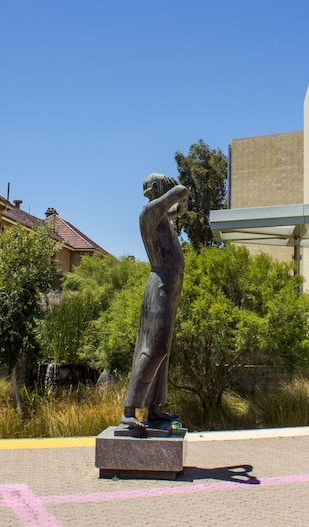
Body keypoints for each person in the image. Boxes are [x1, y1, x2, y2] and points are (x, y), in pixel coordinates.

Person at [121, 174, 189, 430]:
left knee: (164, 349)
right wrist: (176, 187)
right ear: (155, 189)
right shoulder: (149, 212)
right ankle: (129, 409)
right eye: (163, 184)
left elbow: (180, 207)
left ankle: (153, 408)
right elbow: (179, 194)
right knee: (154, 347)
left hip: (171, 284)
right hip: (160, 283)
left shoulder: (161, 216)